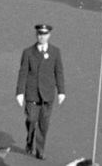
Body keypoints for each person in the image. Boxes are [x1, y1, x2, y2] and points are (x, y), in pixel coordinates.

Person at [15, 22, 66, 159]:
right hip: (32, 93)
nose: (41, 37)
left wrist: (61, 91)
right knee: (31, 119)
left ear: (49, 35)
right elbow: (23, 73)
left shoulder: (55, 52)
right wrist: (20, 92)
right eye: (39, 34)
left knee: (44, 123)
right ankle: (29, 141)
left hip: (48, 94)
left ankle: (40, 150)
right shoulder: (28, 52)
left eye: (44, 34)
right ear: (36, 35)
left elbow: (59, 72)